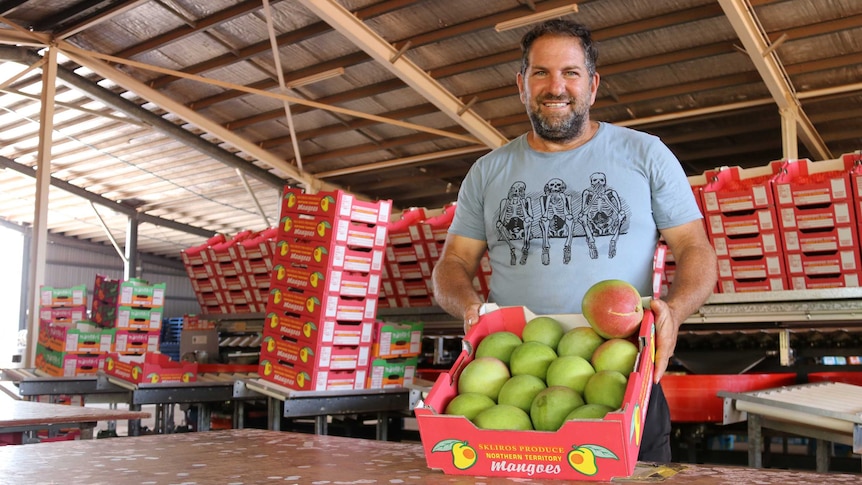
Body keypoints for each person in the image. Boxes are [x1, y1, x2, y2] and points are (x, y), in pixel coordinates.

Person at [431, 19, 717, 463]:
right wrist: (469, 307)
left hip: (622, 368)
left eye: (570, 72)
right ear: (521, 85)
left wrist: (674, 312)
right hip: (510, 379)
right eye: (540, 73)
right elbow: (453, 264)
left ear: (593, 85)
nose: (555, 86)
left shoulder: (646, 154)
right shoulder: (487, 172)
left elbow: (695, 249)